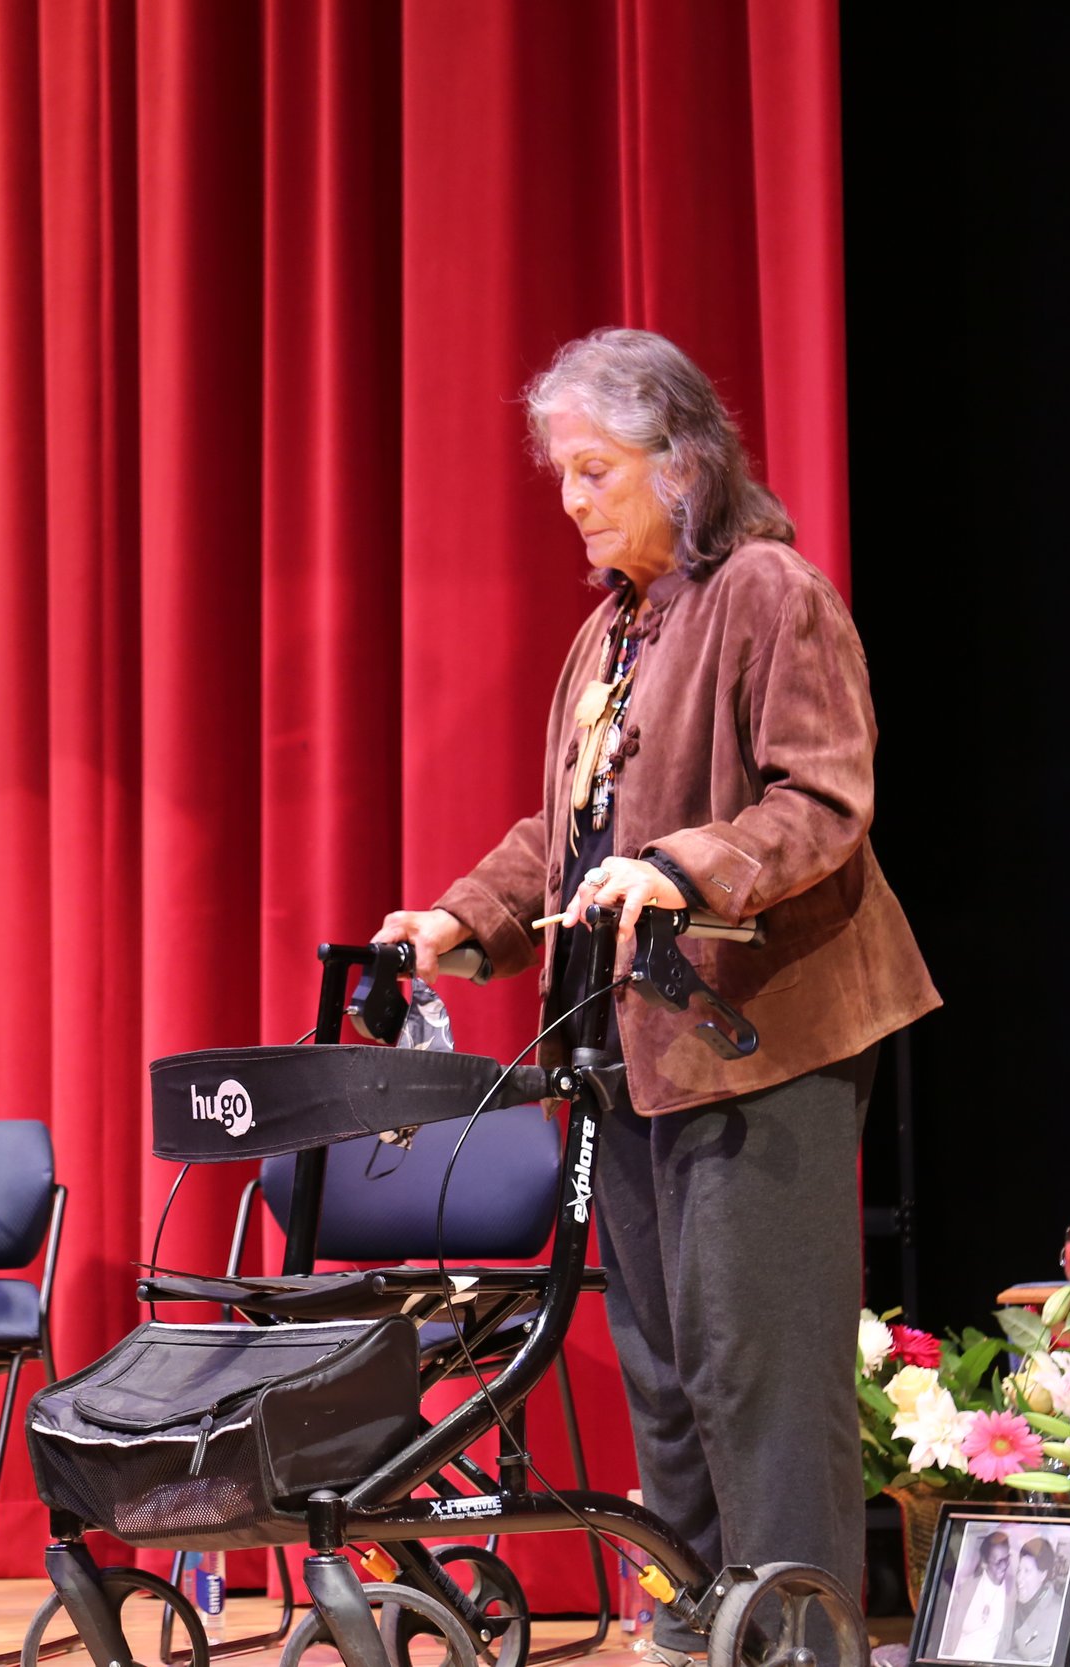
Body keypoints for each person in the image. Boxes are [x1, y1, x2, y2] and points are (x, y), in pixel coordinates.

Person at [372, 328, 938, 1648]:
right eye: (561, 475)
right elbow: (568, 831)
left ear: (682, 464)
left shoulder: (770, 591)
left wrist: (686, 866)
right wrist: (462, 918)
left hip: (767, 1033)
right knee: (665, 1362)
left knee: (760, 1362)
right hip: (632, 1043)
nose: (572, 500)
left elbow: (824, 795)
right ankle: (690, 1623)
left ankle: (797, 1638)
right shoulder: (612, 631)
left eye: (593, 470)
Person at [939, 1531, 1014, 1662]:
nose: (1004, 1566)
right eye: (998, 1562)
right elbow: (948, 1635)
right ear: (984, 1563)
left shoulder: (1012, 1593)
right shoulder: (966, 1589)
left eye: (1006, 1559)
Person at [1001, 1536, 1065, 1664]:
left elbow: (1034, 1654)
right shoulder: (1012, 1605)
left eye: (1027, 1571)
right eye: (1019, 1570)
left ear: (1043, 1575)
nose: (1019, 1578)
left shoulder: (1057, 1611)